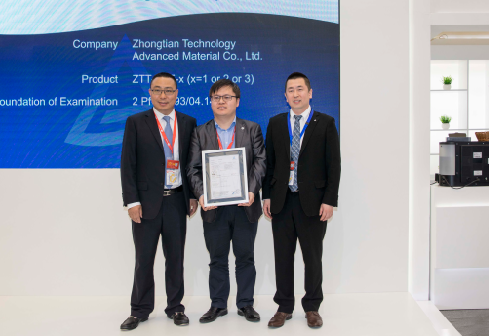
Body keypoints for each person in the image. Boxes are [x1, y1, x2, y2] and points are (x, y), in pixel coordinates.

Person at [120, 72, 198, 330]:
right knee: (144, 259)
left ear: (177, 94)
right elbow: (128, 164)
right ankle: (139, 310)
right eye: (157, 90)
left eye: (168, 90)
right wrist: (132, 202)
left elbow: (192, 164)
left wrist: (193, 195)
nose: (163, 95)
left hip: (177, 201)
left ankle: (175, 308)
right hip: (145, 204)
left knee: (175, 259)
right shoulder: (135, 122)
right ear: (150, 93)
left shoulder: (188, 122)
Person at [263, 72, 341, 329]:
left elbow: (334, 165)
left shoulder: (325, 122)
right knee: (282, 257)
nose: (295, 94)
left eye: (299, 89)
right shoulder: (276, 123)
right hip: (282, 201)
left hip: (314, 203)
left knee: (312, 258)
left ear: (310, 92)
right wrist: (267, 195)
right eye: (290, 90)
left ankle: (312, 307)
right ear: (285, 96)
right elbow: (269, 164)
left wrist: (329, 200)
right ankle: (284, 307)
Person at [186, 79, 266, 324]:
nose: (221, 101)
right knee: (217, 259)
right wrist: (202, 195)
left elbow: (260, 162)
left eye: (227, 97)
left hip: (245, 206)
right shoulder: (200, 132)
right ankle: (218, 305)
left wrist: (251, 190)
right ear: (210, 101)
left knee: (245, 258)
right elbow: (192, 169)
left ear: (237, 101)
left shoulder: (251, 129)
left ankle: (246, 304)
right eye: (216, 97)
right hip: (214, 208)